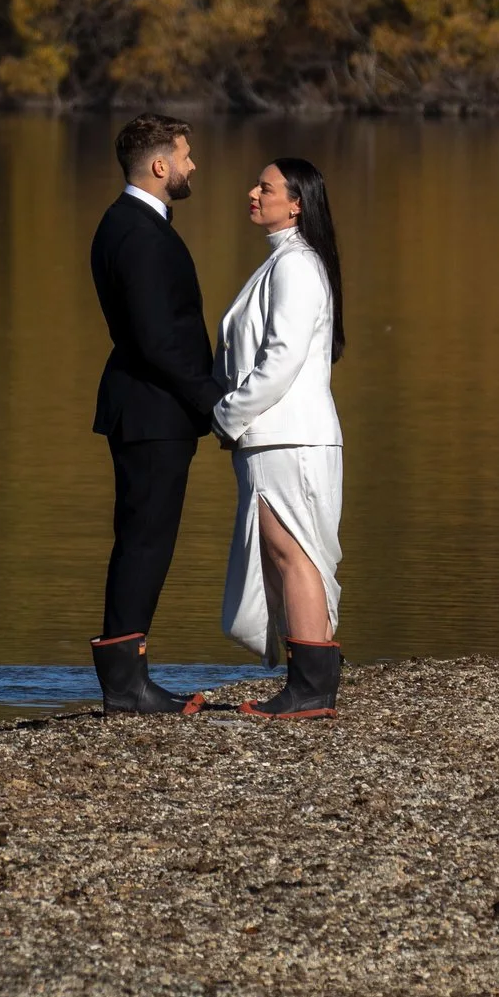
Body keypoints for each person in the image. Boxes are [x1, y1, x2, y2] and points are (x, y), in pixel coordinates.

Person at [192, 154, 346, 720]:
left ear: (297, 201)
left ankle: (310, 689)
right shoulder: (283, 262)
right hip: (276, 436)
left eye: (267, 187)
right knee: (287, 554)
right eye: (256, 184)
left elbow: (281, 358)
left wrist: (228, 413)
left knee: (294, 554)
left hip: (290, 436)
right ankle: (311, 681)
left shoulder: (297, 265)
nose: (253, 194)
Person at [88, 114, 220, 715]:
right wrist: (215, 401)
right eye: (186, 155)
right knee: (145, 541)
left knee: (144, 539)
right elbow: (155, 340)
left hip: (149, 409)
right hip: (151, 411)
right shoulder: (138, 232)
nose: (193, 166)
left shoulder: (131, 224)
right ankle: (125, 686)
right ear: (159, 165)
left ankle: (127, 678)